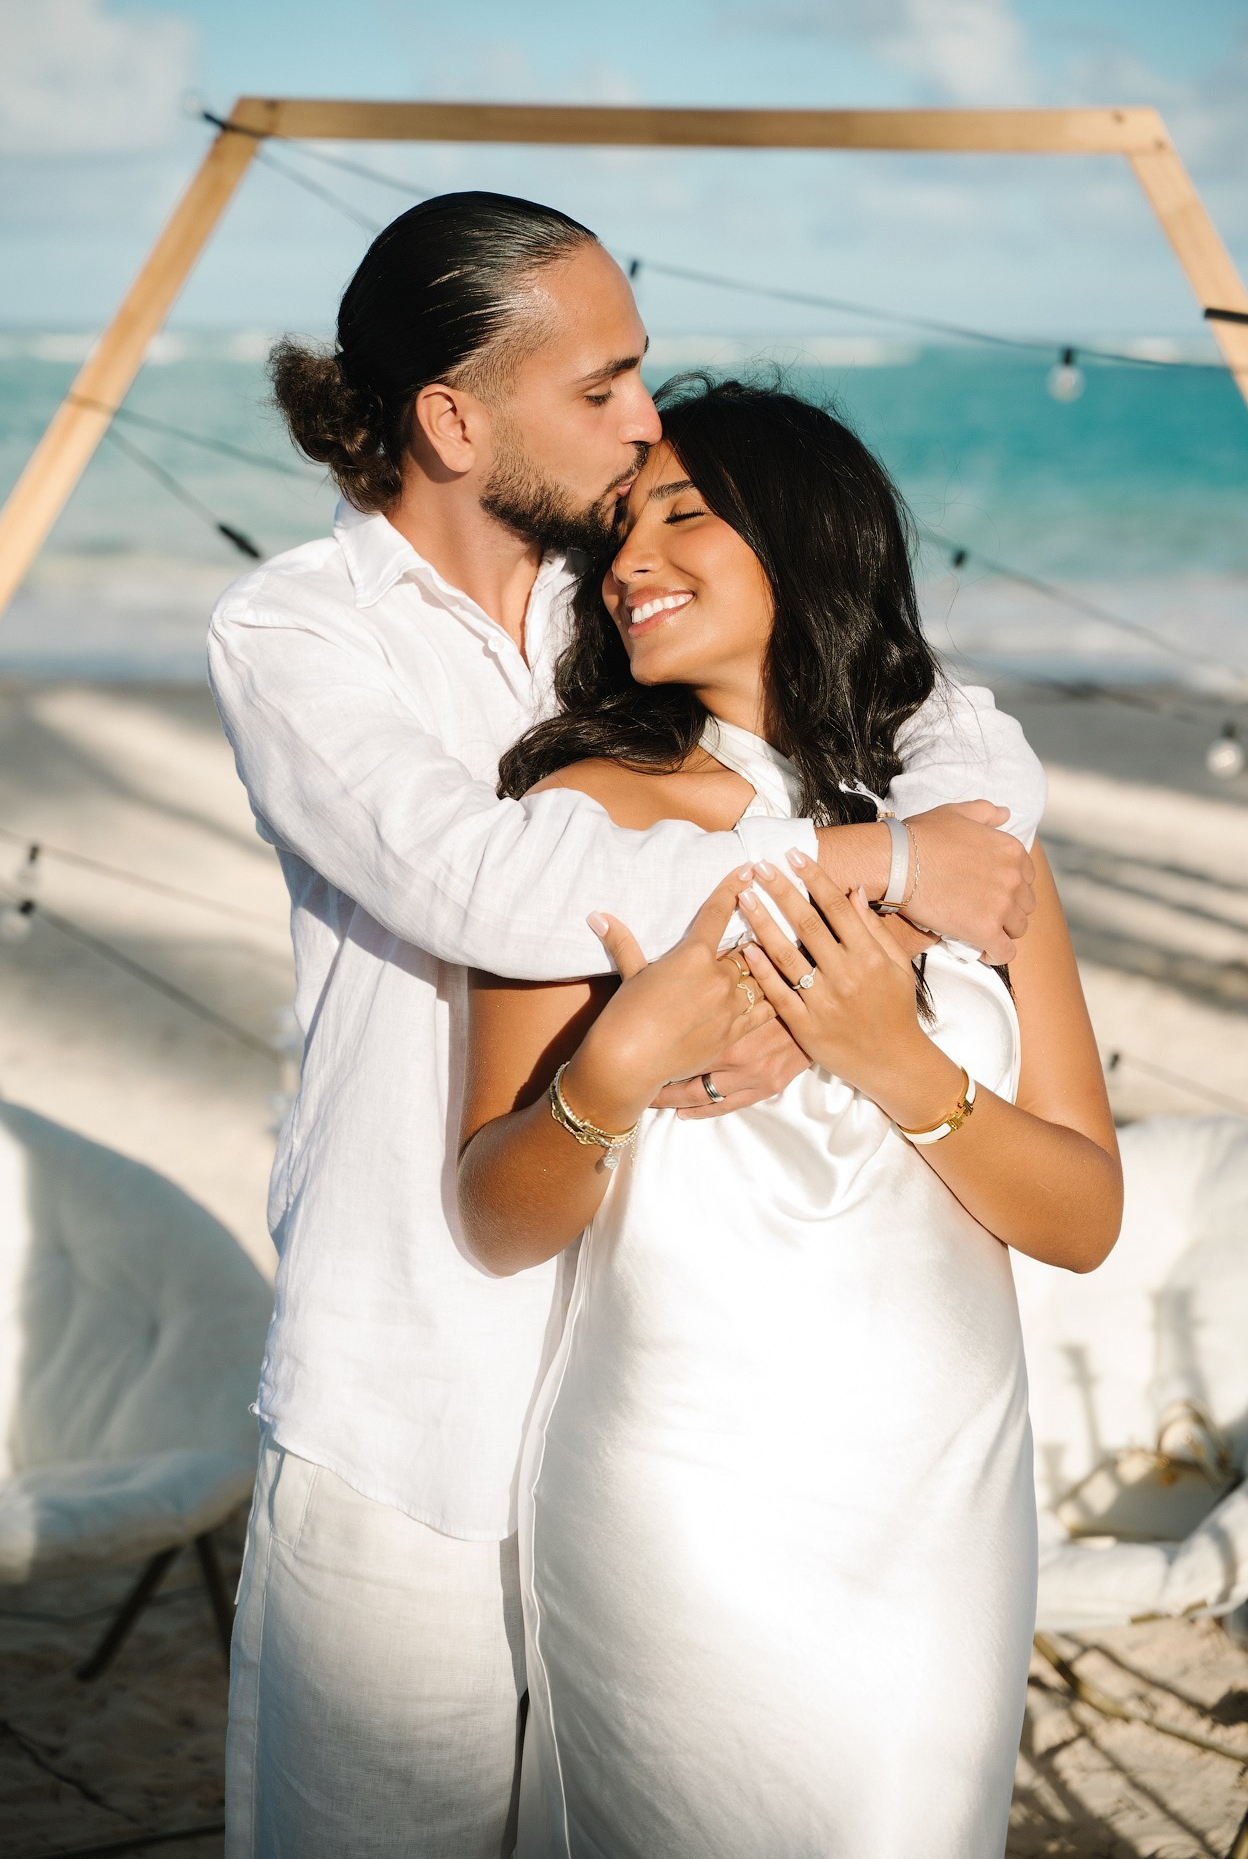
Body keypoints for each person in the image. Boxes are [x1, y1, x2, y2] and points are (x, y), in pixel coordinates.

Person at [208, 194, 1045, 1859]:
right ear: (455, 419)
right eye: (601, 389)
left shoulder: (630, 582)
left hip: (678, 1402)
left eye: (640, 377)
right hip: (423, 1374)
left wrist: (840, 975)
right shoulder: (299, 633)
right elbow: (490, 879)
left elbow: (963, 740)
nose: (644, 422)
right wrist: (864, 866)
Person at [458, 378, 1123, 1859]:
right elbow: (495, 1216)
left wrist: (898, 1065)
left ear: (810, 534)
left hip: (938, 1497)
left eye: (685, 510)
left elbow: (1081, 1218)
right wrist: (612, 1076)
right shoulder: (582, 816)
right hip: (681, 1490)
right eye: (620, 525)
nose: (630, 557)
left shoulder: (968, 846)